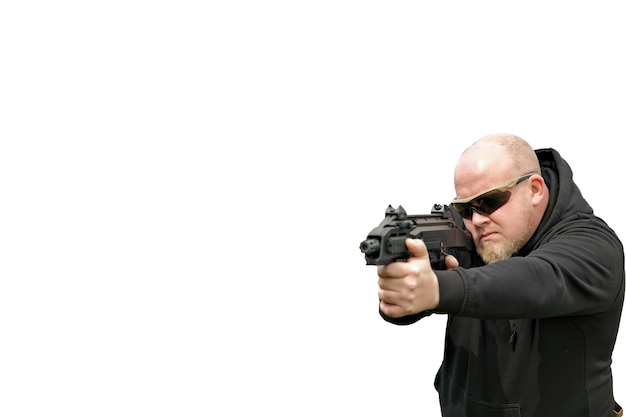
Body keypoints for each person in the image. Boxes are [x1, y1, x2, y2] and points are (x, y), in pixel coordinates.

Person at [377, 134, 625, 417]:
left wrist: (438, 289)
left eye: (490, 201)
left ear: (534, 190)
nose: (477, 219)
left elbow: (535, 279)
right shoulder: (473, 229)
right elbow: (410, 300)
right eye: (465, 207)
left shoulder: (594, 247)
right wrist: (404, 290)